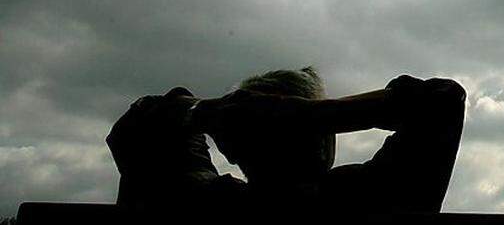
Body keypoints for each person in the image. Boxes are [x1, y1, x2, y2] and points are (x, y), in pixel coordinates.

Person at [105, 67, 466, 219]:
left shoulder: (200, 202)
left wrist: (206, 111)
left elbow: (142, 124)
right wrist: (314, 113)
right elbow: (440, 101)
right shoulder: (368, 200)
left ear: (231, 146)